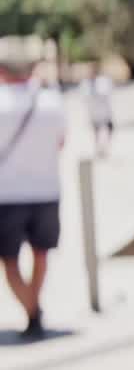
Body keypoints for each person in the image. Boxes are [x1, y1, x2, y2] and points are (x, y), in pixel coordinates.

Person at [0, 60, 66, 339]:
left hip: (7, 194)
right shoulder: (52, 101)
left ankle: (32, 312)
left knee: (9, 260)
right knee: (41, 254)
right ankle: (34, 310)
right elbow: (61, 142)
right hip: (46, 189)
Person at [83, 69, 114, 157]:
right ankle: (99, 148)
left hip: (104, 112)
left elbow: (107, 93)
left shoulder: (102, 82)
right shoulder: (87, 84)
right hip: (95, 113)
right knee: (97, 131)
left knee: (108, 130)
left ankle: (105, 148)